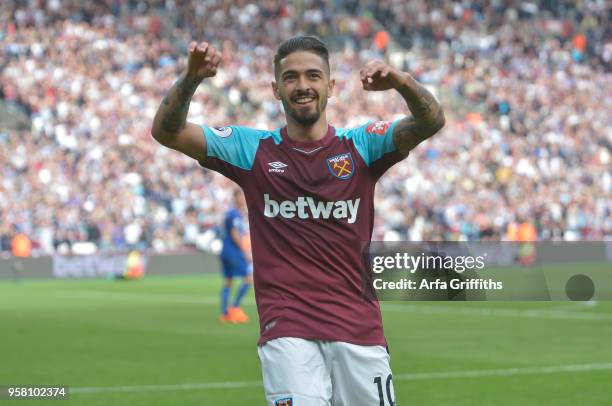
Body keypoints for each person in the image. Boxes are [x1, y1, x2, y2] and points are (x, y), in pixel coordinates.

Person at [152, 35, 445, 405]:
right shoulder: (252, 150)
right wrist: (191, 77)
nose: (302, 86)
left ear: (331, 86)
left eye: (312, 76)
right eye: (290, 77)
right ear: (276, 89)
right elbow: (167, 131)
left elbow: (431, 121)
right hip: (288, 331)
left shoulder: (362, 147)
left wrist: (402, 82)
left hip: (359, 331)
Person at [218, 189, 253, 323]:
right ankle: (235, 308)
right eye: (242, 197)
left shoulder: (231, 214)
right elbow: (234, 234)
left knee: (228, 280)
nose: (244, 200)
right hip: (233, 251)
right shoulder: (235, 214)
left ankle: (224, 313)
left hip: (225, 250)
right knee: (249, 278)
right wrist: (245, 252)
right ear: (236, 198)